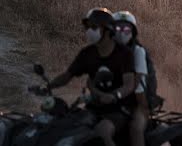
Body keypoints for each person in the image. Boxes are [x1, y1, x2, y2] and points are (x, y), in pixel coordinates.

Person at [45, 8, 136, 146]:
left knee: (102, 132)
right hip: (94, 108)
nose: (88, 31)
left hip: (119, 110)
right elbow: (67, 76)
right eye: (87, 27)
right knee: (66, 127)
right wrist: (47, 86)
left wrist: (115, 96)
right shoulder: (87, 53)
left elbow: (129, 84)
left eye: (93, 27)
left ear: (106, 30)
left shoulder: (124, 54)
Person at [113, 11, 150, 146]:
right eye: (117, 28)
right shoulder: (108, 51)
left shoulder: (137, 51)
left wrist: (115, 95)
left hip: (137, 101)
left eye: (126, 29)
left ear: (133, 32)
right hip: (115, 100)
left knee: (135, 129)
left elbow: (137, 84)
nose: (121, 32)